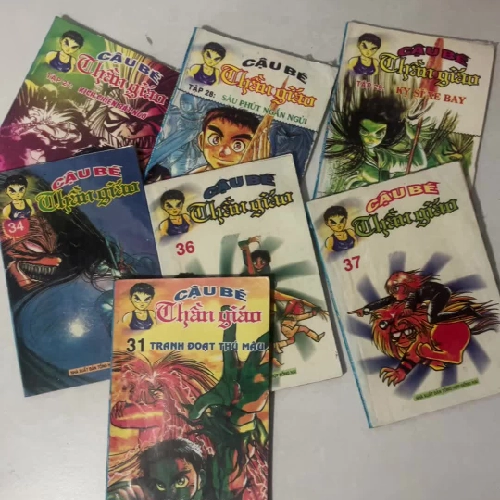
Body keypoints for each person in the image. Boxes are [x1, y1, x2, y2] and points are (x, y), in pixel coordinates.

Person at [350, 270, 481, 324]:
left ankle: (466, 311)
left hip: (440, 293)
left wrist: (409, 308)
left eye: (394, 289)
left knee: (432, 318)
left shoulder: (412, 291)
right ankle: (466, 311)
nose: (392, 294)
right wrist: (366, 309)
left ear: (403, 286)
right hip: (434, 294)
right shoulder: (401, 294)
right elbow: (384, 301)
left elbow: (412, 299)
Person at [191, 107, 265, 173]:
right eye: (215, 140)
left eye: (238, 145)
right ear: (201, 140)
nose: (223, 152)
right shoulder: (194, 176)